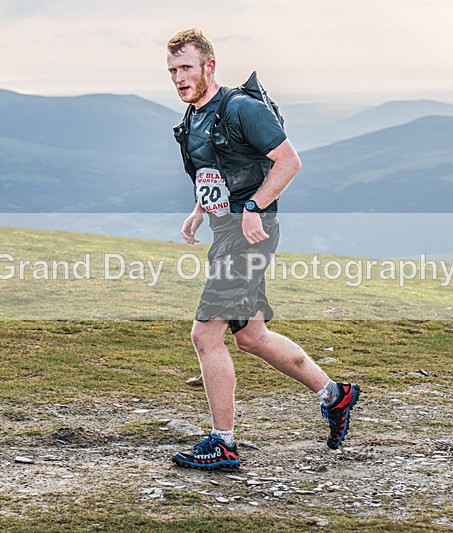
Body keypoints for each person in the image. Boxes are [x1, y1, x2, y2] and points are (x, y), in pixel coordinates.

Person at [166, 28, 360, 470]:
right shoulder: (194, 118)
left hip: (249, 233)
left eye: (187, 68)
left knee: (205, 334)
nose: (179, 78)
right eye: (173, 70)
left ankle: (223, 442)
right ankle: (335, 394)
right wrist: (199, 210)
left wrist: (254, 205)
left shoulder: (242, 109)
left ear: (209, 67)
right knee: (252, 336)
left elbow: (289, 161)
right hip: (226, 231)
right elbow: (218, 169)